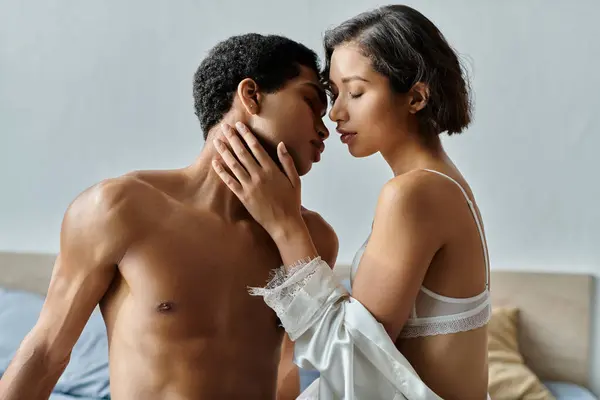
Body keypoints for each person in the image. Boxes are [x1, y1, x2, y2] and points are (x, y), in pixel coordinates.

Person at [0, 33, 338, 399]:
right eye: (310, 102)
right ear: (251, 95)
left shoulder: (312, 239)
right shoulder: (119, 208)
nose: (325, 129)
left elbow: (289, 373)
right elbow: (46, 353)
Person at [212, 5, 490, 400]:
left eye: (356, 92)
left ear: (415, 97)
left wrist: (285, 224)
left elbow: (353, 363)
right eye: (335, 93)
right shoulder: (443, 185)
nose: (336, 113)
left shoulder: (414, 194)